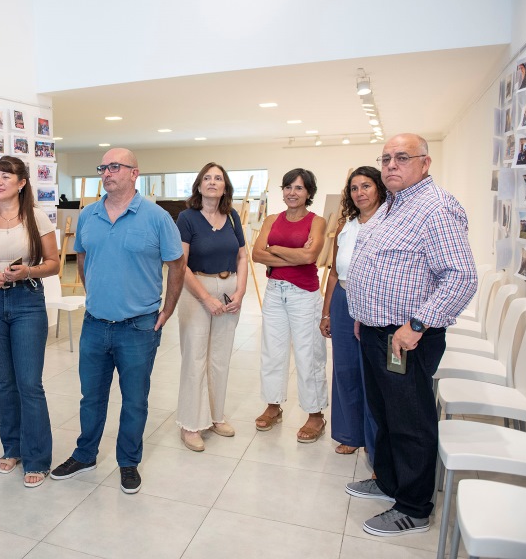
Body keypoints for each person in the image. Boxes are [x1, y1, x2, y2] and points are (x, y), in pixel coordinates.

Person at [345, 134, 477, 536]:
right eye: (385, 158)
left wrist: (417, 325)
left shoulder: (435, 208)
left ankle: (415, 506)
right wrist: (363, 315)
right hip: (375, 331)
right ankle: (389, 481)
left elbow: (461, 276)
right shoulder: (394, 205)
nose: (391, 165)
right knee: (384, 414)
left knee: (410, 420)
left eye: (402, 157)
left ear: (425, 163)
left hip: (406, 336)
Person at [50, 148, 185, 494]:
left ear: (134, 173)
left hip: (138, 327)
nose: (107, 172)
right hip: (95, 324)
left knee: (135, 399)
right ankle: (85, 455)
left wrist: (167, 309)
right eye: (103, 167)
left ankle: (128, 462)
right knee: (90, 397)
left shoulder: (156, 218)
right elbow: (81, 260)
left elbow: (177, 266)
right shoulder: (88, 216)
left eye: (114, 167)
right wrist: (97, 292)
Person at [0, 155, 59, 488]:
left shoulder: (37, 218)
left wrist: (28, 270)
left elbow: (54, 263)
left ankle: (37, 458)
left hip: (27, 300)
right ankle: (13, 448)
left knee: (29, 384)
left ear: (21, 183)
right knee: (4, 382)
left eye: (6, 176)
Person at [175, 163, 247, 452]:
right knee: (195, 358)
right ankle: (191, 424)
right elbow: (181, 264)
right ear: (199, 185)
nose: (213, 182)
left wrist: (240, 291)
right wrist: (206, 297)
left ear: (225, 186)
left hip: (229, 290)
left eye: (218, 178)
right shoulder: (187, 218)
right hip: (197, 292)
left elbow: (242, 256)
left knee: (220, 358)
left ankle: (216, 417)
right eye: (207, 178)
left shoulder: (231, 217)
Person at [252, 168, 328, 443]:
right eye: (287, 187)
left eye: (298, 188)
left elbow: (311, 256)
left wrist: (274, 251)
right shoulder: (272, 219)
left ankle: (315, 414)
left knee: (309, 355)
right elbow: (256, 253)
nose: (291, 193)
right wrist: (293, 256)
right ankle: (273, 406)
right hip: (275, 293)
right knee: (272, 352)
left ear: (308, 193)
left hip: (304, 295)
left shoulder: (316, 221)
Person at [319, 167, 385, 456]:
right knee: (345, 369)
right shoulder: (346, 225)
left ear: (379, 189)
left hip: (375, 301)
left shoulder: (389, 223)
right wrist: (327, 313)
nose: (360, 193)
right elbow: (333, 272)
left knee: (371, 372)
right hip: (343, 300)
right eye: (354, 188)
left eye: (366, 186)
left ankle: (375, 443)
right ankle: (350, 433)